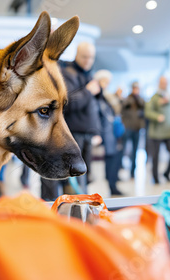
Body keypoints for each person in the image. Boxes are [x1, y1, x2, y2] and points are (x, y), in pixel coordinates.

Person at [40, 42, 102, 200]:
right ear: (76, 55)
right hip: (73, 134)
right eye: (85, 57)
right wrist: (88, 91)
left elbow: (94, 108)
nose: (88, 60)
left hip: (86, 134)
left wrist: (96, 131)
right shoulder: (67, 73)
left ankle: (78, 212)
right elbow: (68, 103)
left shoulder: (88, 74)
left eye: (91, 57)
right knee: (71, 181)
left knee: (82, 180)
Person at [94, 70, 123, 196]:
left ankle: (113, 185)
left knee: (114, 160)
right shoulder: (96, 97)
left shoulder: (106, 97)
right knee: (110, 160)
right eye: (105, 81)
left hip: (111, 133)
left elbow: (115, 111)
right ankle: (112, 186)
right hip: (105, 134)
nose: (107, 84)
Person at [145, 77, 170, 184]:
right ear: (159, 83)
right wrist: (157, 116)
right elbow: (148, 112)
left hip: (168, 131)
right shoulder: (154, 98)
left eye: (166, 83)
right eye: (162, 83)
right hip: (156, 132)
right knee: (155, 156)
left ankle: (166, 173)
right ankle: (155, 178)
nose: (164, 84)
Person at [121, 81, 145, 179]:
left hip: (137, 128)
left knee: (135, 151)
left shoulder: (140, 100)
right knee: (124, 149)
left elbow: (143, 108)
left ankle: (132, 171)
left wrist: (137, 98)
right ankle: (120, 167)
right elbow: (123, 108)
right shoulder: (127, 99)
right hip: (128, 128)